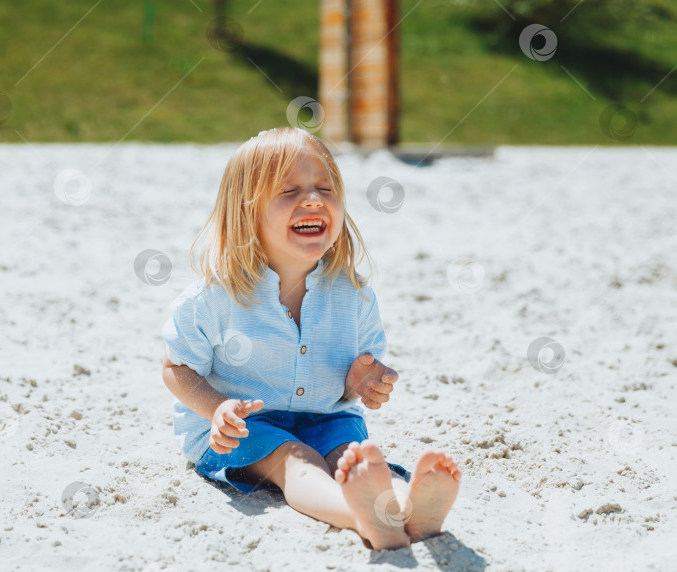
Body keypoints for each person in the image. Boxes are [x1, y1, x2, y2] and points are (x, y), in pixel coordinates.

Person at [161, 127, 460, 551]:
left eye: (324, 187)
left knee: (352, 460)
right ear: (246, 213)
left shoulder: (353, 295)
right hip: (245, 430)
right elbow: (177, 368)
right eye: (289, 191)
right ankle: (362, 518)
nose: (313, 199)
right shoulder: (213, 298)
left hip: (324, 417)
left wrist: (364, 380)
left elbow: (352, 380)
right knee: (297, 462)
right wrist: (217, 409)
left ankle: (407, 512)